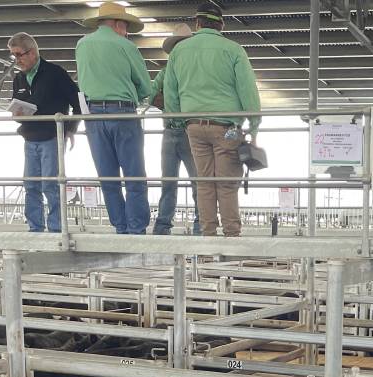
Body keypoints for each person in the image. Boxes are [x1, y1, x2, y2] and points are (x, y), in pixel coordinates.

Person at [167, 2, 262, 237]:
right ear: (221, 25)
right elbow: (248, 90)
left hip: (194, 127)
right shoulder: (233, 49)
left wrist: (178, 120)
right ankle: (231, 236)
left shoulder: (179, 51)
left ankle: (208, 237)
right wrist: (254, 123)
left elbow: (170, 91)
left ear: (197, 24)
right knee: (227, 184)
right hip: (227, 128)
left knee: (204, 183)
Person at [75, 1, 154, 235]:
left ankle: (119, 226)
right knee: (134, 174)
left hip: (93, 115)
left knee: (107, 176)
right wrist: (136, 97)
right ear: (119, 24)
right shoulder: (125, 46)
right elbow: (145, 86)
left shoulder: (82, 45)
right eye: (126, 26)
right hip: (122, 112)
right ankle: (136, 227)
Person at [8, 32, 82, 233]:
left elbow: (79, 102)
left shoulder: (55, 73)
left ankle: (57, 228)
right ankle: (35, 228)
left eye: (20, 54)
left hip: (51, 137)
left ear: (32, 53)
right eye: (14, 56)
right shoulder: (18, 79)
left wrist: (70, 129)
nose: (18, 60)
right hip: (29, 138)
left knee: (51, 185)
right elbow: (16, 105)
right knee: (30, 185)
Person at [152, 24, 200, 236]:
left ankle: (163, 226)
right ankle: (201, 226)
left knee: (169, 183)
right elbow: (151, 95)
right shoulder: (196, 71)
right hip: (189, 130)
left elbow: (150, 94)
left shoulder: (164, 72)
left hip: (171, 130)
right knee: (199, 184)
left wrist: (165, 104)